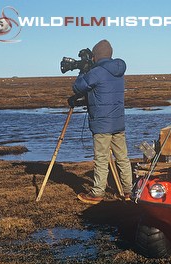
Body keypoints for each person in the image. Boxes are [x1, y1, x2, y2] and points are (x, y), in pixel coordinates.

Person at [71, 39, 133, 204]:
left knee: (101, 159)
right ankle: (129, 191)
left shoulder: (97, 72)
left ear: (96, 56)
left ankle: (97, 192)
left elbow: (78, 87)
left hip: (102, 124)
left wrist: (83, 71)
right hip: (118, 123)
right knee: (123, 158)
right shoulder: (118, 71)